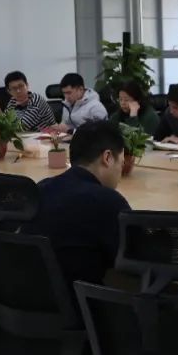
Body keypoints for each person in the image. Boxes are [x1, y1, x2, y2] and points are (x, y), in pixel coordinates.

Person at [25, 120, 130, 286]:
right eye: (121, 163)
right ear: (107, 157)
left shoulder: (41, 189)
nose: (120, 172)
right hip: (78, 300)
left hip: (27, 295)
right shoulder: (107, 201)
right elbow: (138, 258)